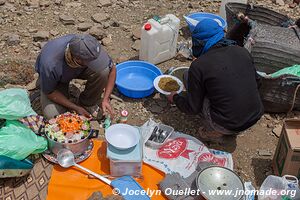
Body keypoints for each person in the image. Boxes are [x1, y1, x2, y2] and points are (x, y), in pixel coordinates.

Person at [167, 18, 264, 140]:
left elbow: (193, 109)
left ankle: (215, 131)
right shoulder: (242, 51)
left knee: (188, 76)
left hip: (227, 124)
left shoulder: (199, 66)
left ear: (198, 42)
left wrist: (175, 98)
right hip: (254, 116)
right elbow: (258, 83)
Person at [35, 34, 116, 120]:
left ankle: (87, 103)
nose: (96, 62)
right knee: (52, 114)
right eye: (91, 62)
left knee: (103, 71)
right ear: (77, 59)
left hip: (79, 69)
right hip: (58, 79)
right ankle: (45, 83)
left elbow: (112, 69)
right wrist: (75, 107)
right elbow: (50, 93)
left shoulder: (89, 46)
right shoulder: (50, 64)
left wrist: (106, 99)